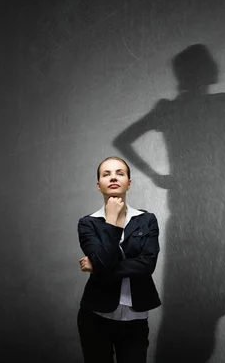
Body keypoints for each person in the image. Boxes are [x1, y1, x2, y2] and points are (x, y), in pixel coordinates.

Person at [76, 156, 161, 363]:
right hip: (96, 317)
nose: (113, 177)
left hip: (136, 319)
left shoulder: (147, 219)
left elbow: (147, 265)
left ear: (129, 183)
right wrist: (112, 221)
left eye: (120, 173)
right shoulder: (88, 223)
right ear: (99, 186)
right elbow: (106, 262)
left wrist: (97, 267)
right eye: (106, 174)